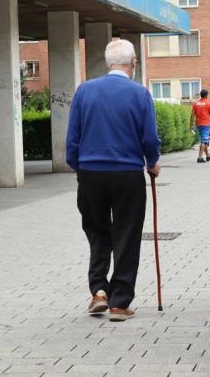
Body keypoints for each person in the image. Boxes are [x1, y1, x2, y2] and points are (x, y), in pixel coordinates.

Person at [66, 39, 161, 322]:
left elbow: (73, 139)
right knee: (127, 235)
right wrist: (152, 162)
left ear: (108, 63)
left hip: (91, 175)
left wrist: (80, 168)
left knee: (97, 232)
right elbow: (149, 138)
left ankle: (98, 291)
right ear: (133, 62)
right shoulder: (140, 94)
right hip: (127, 175)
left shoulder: (84, 91)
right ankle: (120, 303)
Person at [190, 89, 210, 163]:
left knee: (204, 140)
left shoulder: (195, 104)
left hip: (198, 124)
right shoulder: (208, 103)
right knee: (203, 141)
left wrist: (190, 125)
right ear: (206, 95)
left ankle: (208, 155)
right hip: (206, 124)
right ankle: (199, 157)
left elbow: (192, 115)